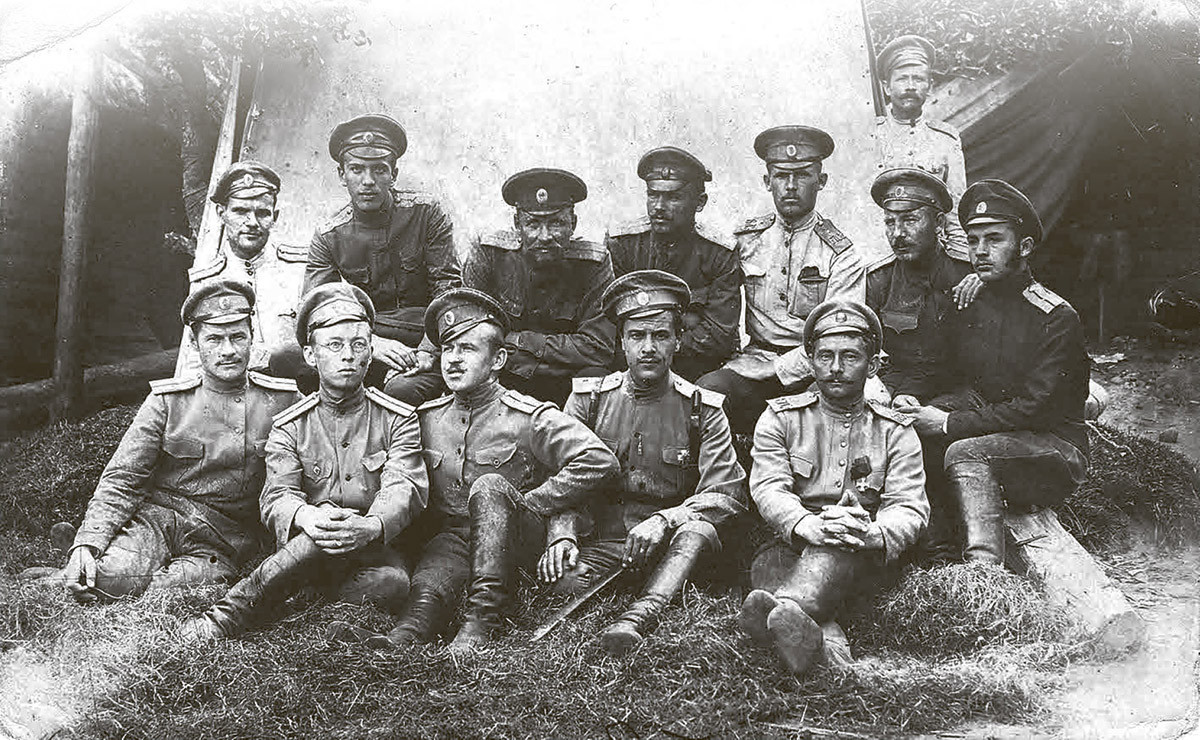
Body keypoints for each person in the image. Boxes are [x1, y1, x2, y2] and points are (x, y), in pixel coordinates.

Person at [325, 287, 619, 649]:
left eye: (467, 349)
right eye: (448, 348)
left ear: (498, 360)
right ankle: (402, 638)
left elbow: (599, 460)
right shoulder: (426, 419)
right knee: (432, 579)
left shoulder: (528, 417)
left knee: (490, 486)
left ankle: (481, 623)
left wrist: (529, 503)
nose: (453, 360)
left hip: (518, 541)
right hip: (454, 541)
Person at [179, 283, 429, 641]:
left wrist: (371, 525)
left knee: (392, 583)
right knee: (318, 536)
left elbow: (404, 485)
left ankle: (300, 593)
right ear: (311, 355)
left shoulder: (397, 419)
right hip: (309, 540)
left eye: (359, 345)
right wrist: (308, 517)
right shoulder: (291, 424)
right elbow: (277, 495)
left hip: (373, 546)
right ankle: (227, 615)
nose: (348, 356)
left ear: (371, 352)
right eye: (335, 345)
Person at [43, 280, 299, 602]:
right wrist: (89, 541)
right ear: (194, 342)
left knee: (170, 592)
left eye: (237, 337)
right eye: (214, 339)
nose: (228, 350)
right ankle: (67, 566)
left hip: (222, 538)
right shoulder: (167, 402)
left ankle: (95, 560)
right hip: (159, 521)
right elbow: (123, 478)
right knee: (108, 580)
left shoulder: (283, 400)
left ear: (252, 336)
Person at [539, 270, 747, 655]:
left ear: (678, 340)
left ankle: (638, 616)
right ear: (622, 341)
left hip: (673, 542)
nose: (648, 348)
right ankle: (651, 588)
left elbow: (724, 495)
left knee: (698, 531)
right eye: (637, 336)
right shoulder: (588, 401)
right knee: (564, 579)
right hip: (607, 541)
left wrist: (665, 520)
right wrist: (563, 532)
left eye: (661, 335)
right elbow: (560, 480)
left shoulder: (703, 409)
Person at [894, 180, 1089, 565]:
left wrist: (947, 422)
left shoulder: (1055, 317)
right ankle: (937, 553)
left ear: (1025, 247)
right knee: (906, 433)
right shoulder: (970, 300)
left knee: (965, 452)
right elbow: (937, 366)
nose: (980, 251)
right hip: (992, 426)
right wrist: (908, 397)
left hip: (1053, 450)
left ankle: (984, 574)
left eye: (994, 239)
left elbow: (1035, 409)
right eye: (973, 240)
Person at [739, 299, 928, 676]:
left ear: (872, 366)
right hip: (792, 542)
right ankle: (828, 654)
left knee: (819, 563)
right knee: (769, 567)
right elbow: (769, 487)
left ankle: (783, 611)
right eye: (825, 356)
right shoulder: (781, 418)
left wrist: (871, 532)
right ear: (811, 362)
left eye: (850, 356)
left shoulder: (895, 431)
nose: (836, 368)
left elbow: (910, 506)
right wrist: (805, 524)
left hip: (859, 549)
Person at [698, 126, 869, 432]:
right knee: (708, 394)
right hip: (753, 362)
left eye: (802, 175)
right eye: (780, 176)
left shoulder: (841, 254)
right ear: (767, 181)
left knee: (826, 410)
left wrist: (776, 368)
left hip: (816, 370)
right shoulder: (746, 240)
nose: (790, 186)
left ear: (821, 181)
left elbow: (839, 335)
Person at [305, 113, 460, 406]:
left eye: (379, 170)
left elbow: (449, 290)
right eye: (356, 169)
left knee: (402, 391)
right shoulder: (329, 235)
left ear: (394, 174)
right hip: (366, 337)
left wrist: (429, 349)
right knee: (287, 358)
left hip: (427, 334)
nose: (368, 181)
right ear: (341, 175)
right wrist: (370, 343)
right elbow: (318, 309)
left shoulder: (427, 214)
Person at [463, 167, 616, 405]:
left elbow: (598, 348)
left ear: (573, 224)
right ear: (517, 224)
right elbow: (471, 332)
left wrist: (519, 342)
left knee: (595, 376)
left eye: (556, 223)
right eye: (533, 224)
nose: (544, 236)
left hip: (566, 386)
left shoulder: (593, 263)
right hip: (505, 379)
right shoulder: (490, 254)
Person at [605, 147, 742, 380]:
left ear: (700, 202)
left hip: (696, 366)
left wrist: (660, 347)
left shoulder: (719, 253)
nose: (659, 206)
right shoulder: (623, 245)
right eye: (653, 195)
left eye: (673, 197)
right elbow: (610, 324)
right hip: (634, 365)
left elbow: (719, 335)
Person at [181, 161, 308, 382]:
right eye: (241, 211)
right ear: (221, 213)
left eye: (263, 213)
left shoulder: (300, 270)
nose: (252, 222)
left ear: (275, 217)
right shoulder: (207, 280)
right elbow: (194, 360)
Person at [865, 168, 972, 403]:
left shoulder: (967, 274)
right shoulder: (879, 280)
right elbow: (868, 351)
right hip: (896, 388)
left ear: (938, 222)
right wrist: (882, 391)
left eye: (910, 220)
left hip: (954, 393)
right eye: (890, 222)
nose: (898, 233)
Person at [874, 35, 969, 259]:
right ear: (886, 87)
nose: (910, 86)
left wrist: (961, 266)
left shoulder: (946, 139)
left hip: (932, 259)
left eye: (918, 79)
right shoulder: (870, 136)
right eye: (902, 79)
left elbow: (955, 214)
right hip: (878, 258)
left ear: (930, 86)